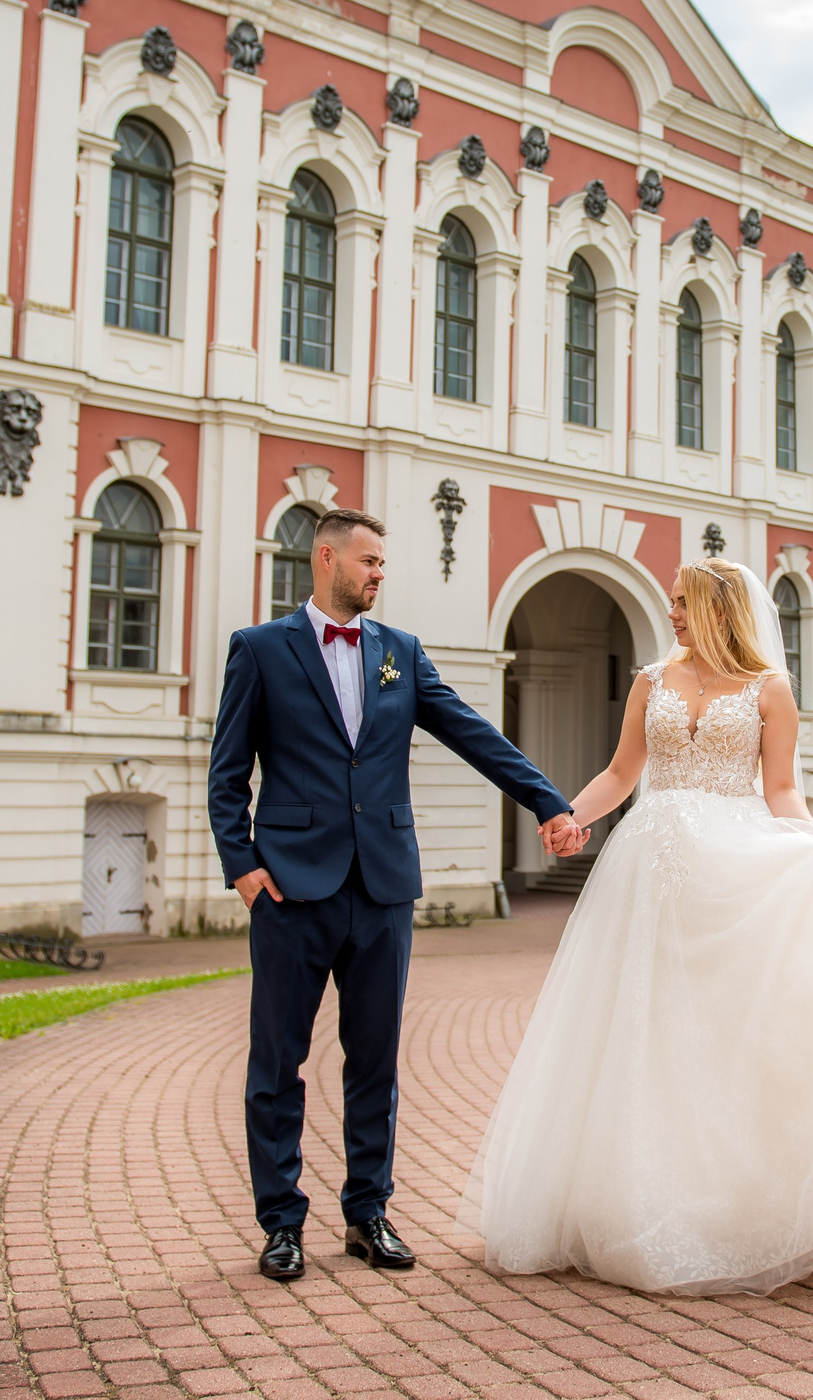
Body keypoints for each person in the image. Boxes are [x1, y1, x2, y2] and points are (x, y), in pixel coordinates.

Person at [459, 558, 813, 1295]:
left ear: (718, 608)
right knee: (648, 1028)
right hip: (651, 868)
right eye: (672, 601)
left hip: (735, 867)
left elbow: (780, 788)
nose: (671, 611)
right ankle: (636, 1195)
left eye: (681, 602)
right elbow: (620, 772)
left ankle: (746, 1200)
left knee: (728, 1032)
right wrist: (569, 816)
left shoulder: (771, 690)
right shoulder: (651, 681)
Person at [207, 507, 582, 1284]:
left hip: (381, 887)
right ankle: (281, 1222)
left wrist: (547, 800)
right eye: (368, 561)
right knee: (277, 1061)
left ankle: (367, 1212)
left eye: (382, 563)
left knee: (374, 1059)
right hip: (289, 889)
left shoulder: (400, 654)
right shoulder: (260, 650)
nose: (379, 573)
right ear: (325, 558)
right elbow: (226, 771)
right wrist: (243, 866)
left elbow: (473, 731)